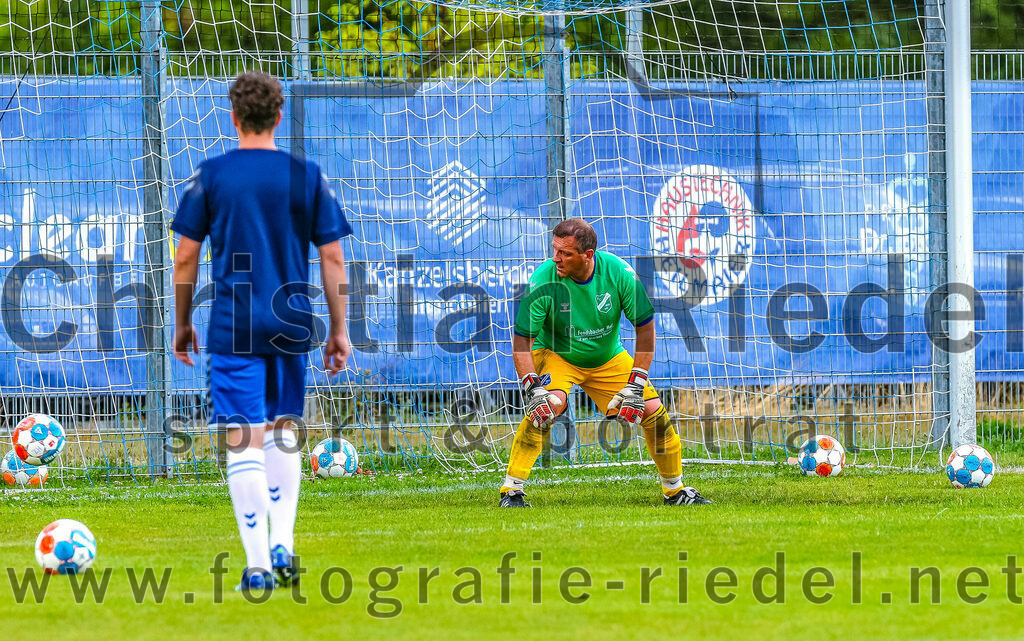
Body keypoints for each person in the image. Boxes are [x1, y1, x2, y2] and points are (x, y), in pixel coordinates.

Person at [171, 70, 353, 591]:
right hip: (292, 320)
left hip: (235, 324)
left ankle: (256, 566)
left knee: (243, 438)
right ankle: (284, 544)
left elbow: (186, 255)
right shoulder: (305, 174)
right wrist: (338, 328)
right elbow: (333, 255)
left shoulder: (212, 175)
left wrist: (183, 321)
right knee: (283, 431)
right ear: (278, 116)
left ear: (234, 117)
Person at [501, 218, 711, 507]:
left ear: (588, 256)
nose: (556, 258)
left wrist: (636, 383)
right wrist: (532, 387)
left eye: (565, 253)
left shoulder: (619, 273)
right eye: (555, 250)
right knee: (548, 406)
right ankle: (512, 491)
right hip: (556, 354)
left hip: (607, 356)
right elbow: (522, 341)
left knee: (652, 411)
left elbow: (645, 329)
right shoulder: (543, 281)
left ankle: (675, 491)